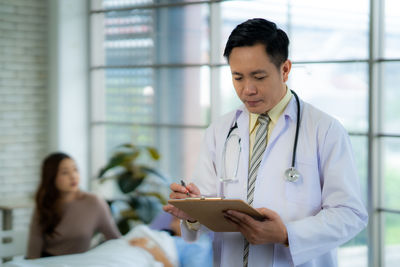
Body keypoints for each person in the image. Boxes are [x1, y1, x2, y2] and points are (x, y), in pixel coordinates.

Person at [163, 18, 368, 267]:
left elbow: (350, 214)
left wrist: (286, 235)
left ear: (285, 70)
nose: (247, 89)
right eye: (237, 77)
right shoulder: (220, 130)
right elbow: (210, 206)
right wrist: (193, 212)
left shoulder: (325, 130)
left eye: (258, 77)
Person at [26, 152, 121, 259]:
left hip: (79, 263)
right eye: (65, 172)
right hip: (48, 263)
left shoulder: (94, 202)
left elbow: (114, 239)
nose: (73, 176)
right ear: (51, 177)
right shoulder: (44, 204)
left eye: (75, 170)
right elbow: (33, 251)